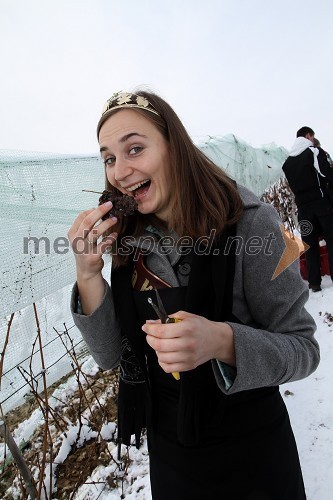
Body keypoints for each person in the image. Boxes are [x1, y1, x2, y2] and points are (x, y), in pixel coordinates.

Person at [68, 91, 319, 500]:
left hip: (252, 452)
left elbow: (303, 348)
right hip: (172, 452)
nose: (119, 171)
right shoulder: (130, 241)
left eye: (134, 148)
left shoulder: (254, 224)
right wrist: (88, 272)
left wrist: (224, 341)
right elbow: (112, 354)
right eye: (109, 158)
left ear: (174, 147)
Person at [282, 126, 333, 292]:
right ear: (309, 135)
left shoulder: (288, 163)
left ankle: (314, 282)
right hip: (321, 204)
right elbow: (326, 174)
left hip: (303, 208)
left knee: (309, 244)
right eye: (312, 137)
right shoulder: (313, 151)